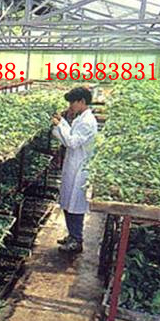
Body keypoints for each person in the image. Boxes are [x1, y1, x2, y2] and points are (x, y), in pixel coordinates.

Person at [51, 87, 98, 254]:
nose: (70, 106)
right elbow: (71, 133)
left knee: (76, 205)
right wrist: (62, 122)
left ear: (82, 101)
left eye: (73, 102)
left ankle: (77, 240)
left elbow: (71, 142)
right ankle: (72, 235)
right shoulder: (81, 118)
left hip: (80, 168)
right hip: (73, 165)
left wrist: (59, 125)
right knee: (68, 201)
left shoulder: (87, 122)